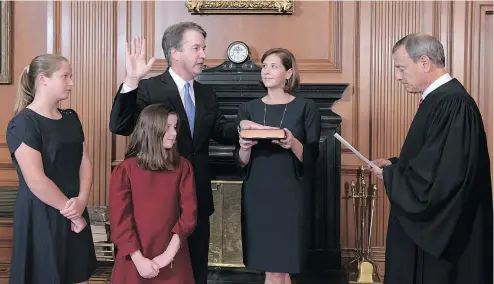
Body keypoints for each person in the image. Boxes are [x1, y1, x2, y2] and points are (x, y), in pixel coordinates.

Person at [108, 21, 268, 283]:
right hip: (157, 203)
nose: (204, 55)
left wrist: (242, 128)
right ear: (175, 52)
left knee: (195, 272)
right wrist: (132, 79)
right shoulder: (149, 88)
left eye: (204, 48)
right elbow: (120, 125)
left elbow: (218, 129)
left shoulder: (206, 92)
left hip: (197, 195)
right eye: (196, 48)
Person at [369, 33, 493, 284]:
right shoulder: (441, 100)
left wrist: (393, 176)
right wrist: (397, 165)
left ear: (424, 63)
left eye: (401, 67)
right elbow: (433, 159)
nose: (397, 76)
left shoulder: (454, 104)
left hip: (448, 235)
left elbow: (445, 177)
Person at [6, 54, 97, 283]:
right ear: (43, 79)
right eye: (65, 76)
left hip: (74, 207)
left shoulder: (71, 117)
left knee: (78, 276)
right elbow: (36, 180)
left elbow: (84, 161)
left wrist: (82, 201)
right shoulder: (24, 123)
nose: (71, 83)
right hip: (41, 214)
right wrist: (73, 212)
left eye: (71, 76)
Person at [235, 48, 321, 284]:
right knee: (274, 268)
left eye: (273, 66)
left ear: (289, 72)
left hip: (290, 191)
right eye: (264, 66)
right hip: (258, 191)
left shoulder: (306, 107)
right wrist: (244, 146)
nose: (266, 71)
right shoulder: (248, 109)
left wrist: (293, 143)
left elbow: (313, 156)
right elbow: (241, 162)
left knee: (280, 266)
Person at [109, 104, 197, 283]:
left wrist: (168, 255)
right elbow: (120, 220)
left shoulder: (183, 166)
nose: (173, 133)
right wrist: (138, 259)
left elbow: (188, 215)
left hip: (173, 256)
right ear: (151, 130)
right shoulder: (125, 170)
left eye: (175, 127)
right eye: (167, 128)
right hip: (133, 256)